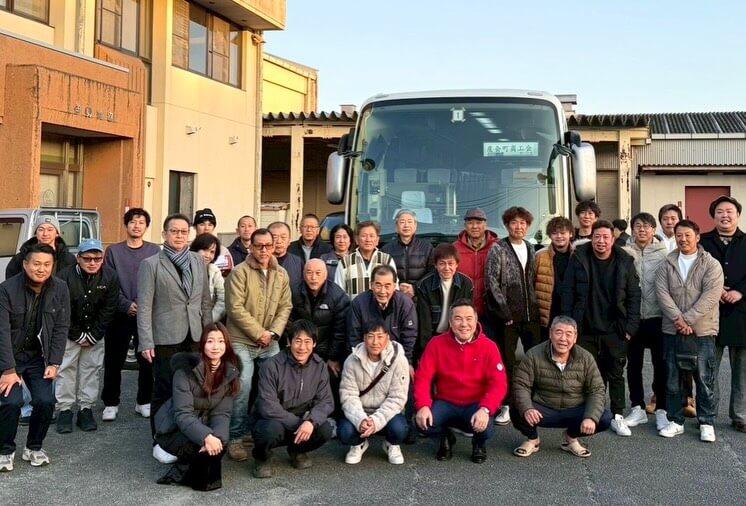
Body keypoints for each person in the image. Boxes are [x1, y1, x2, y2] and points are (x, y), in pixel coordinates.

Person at [137, 214, 213, 463]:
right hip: (165, 337)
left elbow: (204, 301)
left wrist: (209, 334)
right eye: (174, 231)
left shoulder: (198, 261)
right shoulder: (151, 264)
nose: (179, 236)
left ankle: (185, 435)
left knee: (192, 389)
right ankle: (159, 439)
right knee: (164, 388)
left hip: (195, 335)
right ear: (164, 234)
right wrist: (146, 341)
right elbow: (145, 306)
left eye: (183, 231)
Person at [560, 220, 641, 437]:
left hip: (615, 329)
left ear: (613, 239)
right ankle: (590, 414)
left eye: (606, 237)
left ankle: (617, 415)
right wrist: (568, 326)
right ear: (591, 238)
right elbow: (567, 292)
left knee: (615, 373)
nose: (601, 241)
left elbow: (634, 296)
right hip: (584, 328)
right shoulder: (579, 257)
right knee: (586, 373)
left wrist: (630, 328)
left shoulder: (625, 260)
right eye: (597, 237)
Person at [224, 228, 292, 462]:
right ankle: (234, 437)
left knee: (273, 386)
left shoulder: (281, 273)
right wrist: (258, 332)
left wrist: (272, 333)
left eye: (268, 245)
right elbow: (234, 308)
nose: (264, 250)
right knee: (242, 386)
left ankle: (256, 429)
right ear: (251, 247)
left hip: (269, 341)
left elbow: (285, 306)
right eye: (259, 246)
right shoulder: (239, 272)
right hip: (241, 340)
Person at [0, 244, 70, 471]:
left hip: (38, 356)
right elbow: (1, 331)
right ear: (25, 264)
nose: (42, 269)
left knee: (45, 401)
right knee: (11, 402)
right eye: (36, 264)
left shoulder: (60, 288)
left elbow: (61, 327)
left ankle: (34, 447)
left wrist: (54, 362)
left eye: (47, 264)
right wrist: (8, 370)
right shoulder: (6, 289)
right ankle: (5, 450)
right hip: (9, 356)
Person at [414, 300, 507, 464]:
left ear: (476, 320)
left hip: (476, 403)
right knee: (423, 423)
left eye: (469, 318)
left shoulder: (489, 347)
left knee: (486, 428)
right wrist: (423, 405)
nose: (464, 324)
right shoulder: (436, 344)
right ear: (450, 322)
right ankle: (445, 438)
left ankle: (478, 444)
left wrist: (486, 409)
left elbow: (499, 384)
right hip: (446, 402)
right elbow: (423, 377)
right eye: (458, 319)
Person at [656, 219, 724, 441]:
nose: (683, 239)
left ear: (697, 237)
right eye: (679, 235)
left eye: (687, 235)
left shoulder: (711, 264)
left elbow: (711, 296)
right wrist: (678, 319)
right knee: (672, 378)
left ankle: (707, 422)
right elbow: (662, 293)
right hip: (672, 329)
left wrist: (686, 319)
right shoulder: (667, 263)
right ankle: (676, 420)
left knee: (704, 377)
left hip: (702, 330)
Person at [153, 323, 240, 491]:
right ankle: (172, 458)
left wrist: (218, 439)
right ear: (202, 344)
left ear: (227, 344)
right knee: (198, 447)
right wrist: (206, 437)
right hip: (173, 429)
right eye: (210, 341)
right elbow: (182, 414)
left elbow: (222, 414)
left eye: (221, 341)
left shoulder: (229, 372)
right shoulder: (185, 371)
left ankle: (193, 465)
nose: (216, 347)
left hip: (202, 424)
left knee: (218, 447)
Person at [511, 316, 612, 458]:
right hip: (544, 408)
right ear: (550, 334)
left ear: (575, 338)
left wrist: (590, 417)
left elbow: (597, 390)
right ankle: (532, 439)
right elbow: (521, 384)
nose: (563, 339)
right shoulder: (534, 354)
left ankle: (571, 437)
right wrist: (527, 408)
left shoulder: (586, 358)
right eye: (558, 332)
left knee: (604, 417)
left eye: (569, 334)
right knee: (517, 407)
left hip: (574, 409)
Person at [251, 320, 334, 478]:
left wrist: (310, 422)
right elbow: (268, 406)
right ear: (289, 342)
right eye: (298, 341)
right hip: (274, 420)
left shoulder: (319, 366)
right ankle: (262, 458)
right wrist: (300, 424)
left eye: (307, 341)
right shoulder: (271, 365)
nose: (302, 347)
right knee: (270, 430)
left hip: (302, 418)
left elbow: (326, 401)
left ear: (314, 344)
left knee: (325, 429)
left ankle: (297, 450)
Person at [102, 207, 160, 421]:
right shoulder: (113, 251)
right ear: (126, 225)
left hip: (147, 313)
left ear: (146, 227)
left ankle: (144, 401)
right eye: (133, 221)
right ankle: (110, 403)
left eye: (141, 222)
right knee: (113, 360)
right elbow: (109, 282)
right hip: (119, 313)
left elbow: (158, 281)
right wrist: (126, 304)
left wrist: (142, 304)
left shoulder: (154, 250)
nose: (137, 226)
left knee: (147, 359)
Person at [55, 239, 119, 433]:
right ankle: (65, 409)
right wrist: (77, 334)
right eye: (87, 258)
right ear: (78, 258)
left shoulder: (110, 276)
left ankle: (86, 408)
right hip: (69, 332)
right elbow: (61, 309)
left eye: (97, 259)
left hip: (95, 333)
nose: (92, 263)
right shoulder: (63, 277)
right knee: (65, 370)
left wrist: (93, 335)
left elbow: (109, 309)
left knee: (91, 370)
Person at [348, 265, 417, 442]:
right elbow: (354, 336)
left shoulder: (405, 303)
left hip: (395, 358)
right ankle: (361, 423)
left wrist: (407, 361)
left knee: (407, 375)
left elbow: (409, 336)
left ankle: (406, 423)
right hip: (366, 355)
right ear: (371, 285)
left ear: (395, 285)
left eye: (387, 285)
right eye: (378, 285)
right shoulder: (359, 303)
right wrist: (364, 360)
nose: (383, 290)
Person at [485, 206, 540, 425]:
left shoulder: (531, 247)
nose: (519, 227)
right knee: (506, 362)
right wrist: (504, 311)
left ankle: (533, 400)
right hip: (507, 317)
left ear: (528, 226)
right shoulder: (498, 248)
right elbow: (491, 282)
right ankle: (506, 404)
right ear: (507, 226)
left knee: (534, 359)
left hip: (531, 315)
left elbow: (533, 280)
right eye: (514, 223)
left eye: (523, 223)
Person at [700, 195, 746, 434]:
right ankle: (708, 414)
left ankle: (741, 415)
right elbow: (696, 271)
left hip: (742, 314)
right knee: (709, 369)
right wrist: (714, 290)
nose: (725, 215)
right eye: (720, 211)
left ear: (737, 215)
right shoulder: (703, 242)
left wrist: (741, 291)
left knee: (743, 371)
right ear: (713, 216)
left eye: (729, 211)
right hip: (711, 314)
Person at [621, 213, 669, 432]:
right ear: (632, 229)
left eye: (647, 226)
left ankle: (662, 409)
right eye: (638, 226)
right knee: (633, 365)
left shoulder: (664, 254)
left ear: (653, 230)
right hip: (633, 318)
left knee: (661, 365)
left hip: (658, 316)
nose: (642, 229)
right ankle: (637, 407)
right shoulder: (623, 253)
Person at [338, 318, 410, 465]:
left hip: (388, 413)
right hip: (361, 410)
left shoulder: (399, 360)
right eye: (370, 336)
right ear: (364, 338)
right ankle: (358, 444)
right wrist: (361, 419)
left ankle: (391, 444)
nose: (375, 342)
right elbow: (348, 395)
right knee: (345, 431)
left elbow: (397, 398)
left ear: (388, 337)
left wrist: (376, 421)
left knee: (400, 429)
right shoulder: (351, 361)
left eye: (380, 336)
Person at [290, 259, 350, 419]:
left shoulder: (337, 295)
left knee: (332, 375)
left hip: (326, 349)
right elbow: (289, 322)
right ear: (303, 274)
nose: (313, 277)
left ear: (326, 274)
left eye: (318, 273)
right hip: (301, 347)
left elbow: (340, 331)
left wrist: (333, 357)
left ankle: (333, 418)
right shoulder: (294, 292)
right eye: (309, 273)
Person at [651, 203, 694, 417]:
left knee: (686, 357)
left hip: (685, 309)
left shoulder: (685, 241)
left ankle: (688, 399)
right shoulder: (654, 240)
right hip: (661, 308)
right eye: (665, 218)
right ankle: (657, 396)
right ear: (660, 221)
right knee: (662, 358)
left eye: (673, 218)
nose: (669, 221)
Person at [415, 243, 474, 358]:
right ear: (435, 265)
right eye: (442, 263)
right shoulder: (424, 285)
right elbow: (424, 323)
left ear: (457, 264)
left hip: (456, 336)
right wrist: (427, 350)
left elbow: (467, 317)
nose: (446, 268)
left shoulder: (466, 284)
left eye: (451, 263)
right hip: (434, 336)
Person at [453, 208, 498, 338]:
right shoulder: (455, 248)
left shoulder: (497, 246)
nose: (474, 226)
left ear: (485, 225)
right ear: (465, 225)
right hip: (464, 313)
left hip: (491, 312)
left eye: (478, 223)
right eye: (470, 223)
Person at [334, 221, 397, 300]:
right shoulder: (345, 262)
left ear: (377, 240)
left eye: (371, 236)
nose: (368, 239)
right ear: (356, 239)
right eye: (364, 236)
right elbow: (338, 293)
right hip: (353, 307)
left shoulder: (387, 260)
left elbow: (395, 289)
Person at [535, 216, 574, 341]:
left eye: (563, 233)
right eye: (555, 233)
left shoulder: (578, 255)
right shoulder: (540, 256)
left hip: (571, 311)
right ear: (550, 235)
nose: (559, 236)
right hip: (547, 312)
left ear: (570, 234)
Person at [381, 210, 433, 298]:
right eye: (402, 222)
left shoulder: (427, 247)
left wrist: (415, 288)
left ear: (415, 226)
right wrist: (397, 287)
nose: (406, 225)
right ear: (396, 227)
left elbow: (432, 273)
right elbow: (382, 273)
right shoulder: (386, 249)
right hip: (394, 296)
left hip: (420, 297)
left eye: (410, 222)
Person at [5, 215, 76, 278]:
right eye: (41, 229)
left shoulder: (68, 259)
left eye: (50, 230)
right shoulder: (21, 257)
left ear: (57, 234)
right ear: (35, 233)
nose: (45, 234)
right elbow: (11, 283)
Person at [190, 233, 225, 323]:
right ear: (196, 249)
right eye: (205, 250)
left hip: (208, 321)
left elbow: (223, 299)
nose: (207, 255)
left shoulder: (214, 271)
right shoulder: (185, 269)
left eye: (212, 252)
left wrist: (209, 320)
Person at [193, 208, 234, 276]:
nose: (206, 228)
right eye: (202, 224)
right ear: (195, 227)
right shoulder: (187, 249)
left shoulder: (222, 251)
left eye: (210, 225)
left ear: (214, 228)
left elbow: (228, 275)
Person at [268, 221, 303, 291]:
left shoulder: (298, 262)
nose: (279, 241)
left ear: (289, 241)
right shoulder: (259, 262)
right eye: (275, 237)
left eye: (283, 237)